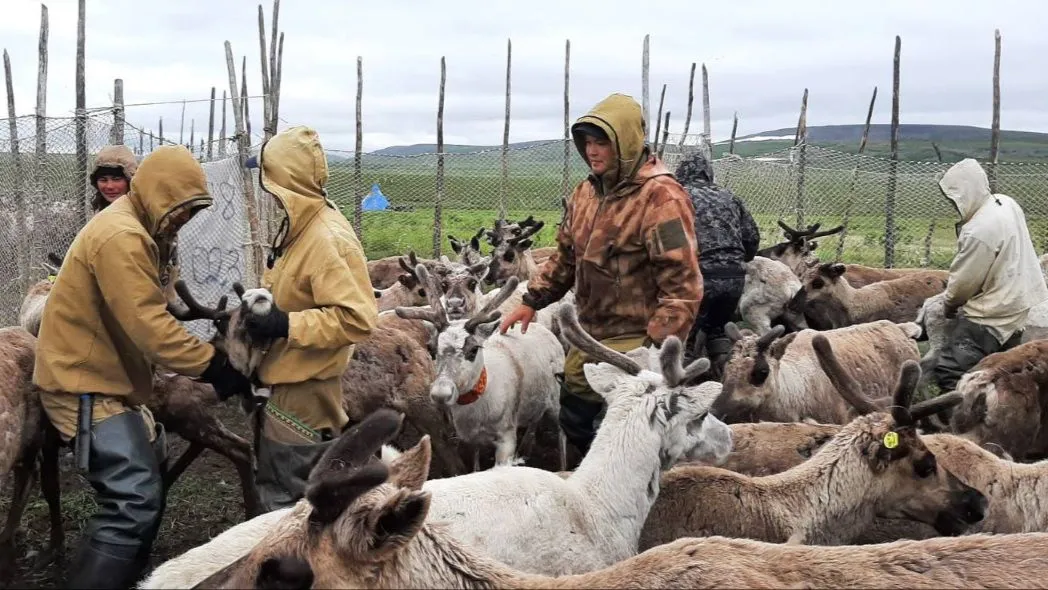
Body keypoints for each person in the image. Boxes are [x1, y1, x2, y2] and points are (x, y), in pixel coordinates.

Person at [33, 144, 254, 589]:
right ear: (157, 194)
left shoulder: (148, 231)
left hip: (109, 378)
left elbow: (155, 303)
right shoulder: (121, 237)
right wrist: (215, 366)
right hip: (82, 384)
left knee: (147, 477)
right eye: (180, 209)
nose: (184, 220)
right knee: (131, 498)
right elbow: (148, 325)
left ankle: (129, 578)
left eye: (193, 211)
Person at [499, 93, 703, 456]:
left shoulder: (662, 198)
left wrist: (658, 348)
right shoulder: (586, 193)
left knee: (628, 426)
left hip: (638, 335)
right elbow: (566, 256)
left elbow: (681, 283)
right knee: (574, 413)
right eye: (587, 143)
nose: (592, 151)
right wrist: (532, 301)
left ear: (626, 141)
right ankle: (599, 481)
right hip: (591, 331)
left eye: (602, 142)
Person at [243, 126, 379, 511]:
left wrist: (285, 325)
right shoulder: (300, 227)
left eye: (267, 174)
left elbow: (357, 319)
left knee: (288, 500)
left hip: (304, 393)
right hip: (289, 383)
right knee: (286, 483)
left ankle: (298, 568)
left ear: (284, 178)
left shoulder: (326, 239)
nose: (264, 187)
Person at [933, 157, 1048, 392]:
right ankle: (997, 415)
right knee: (1002, 370)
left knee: (951, 371)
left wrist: (949, 305)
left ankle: (958, 424)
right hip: (1018, 302)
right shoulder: (1005, 203)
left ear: (964, 194)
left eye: (954, 198)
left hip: (991, 313)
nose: (953, 204)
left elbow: (963, 283)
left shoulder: (979, 231)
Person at [674, 149, 760, 380]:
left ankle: (683, 389)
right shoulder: (730, 196)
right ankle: (726, 383)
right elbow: (751, 238)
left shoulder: (677, 196)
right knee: (718, 329)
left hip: (698, 277)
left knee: (686, 339)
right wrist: (737, 261)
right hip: (733, 278)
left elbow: (667, 243)